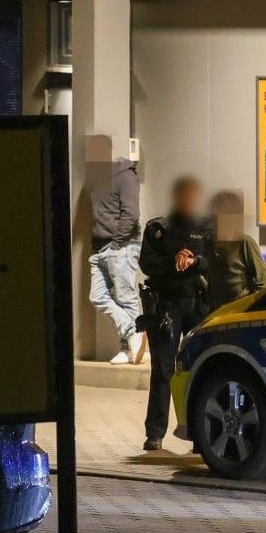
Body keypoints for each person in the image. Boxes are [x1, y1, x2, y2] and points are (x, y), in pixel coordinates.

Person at [138, 175, 214, 451]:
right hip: (167, 306)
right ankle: (155, 433)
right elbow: (147, 263)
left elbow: (217, 262)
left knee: (201, 370)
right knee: (164, 371)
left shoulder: (206, 227)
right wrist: (173, 262)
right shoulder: (159, 228)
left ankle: (200, 435)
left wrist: (195, 262)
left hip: (198, 305)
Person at [86, 150, 146, 365]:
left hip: (122, 245)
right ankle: (133, 333)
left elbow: (131, 212)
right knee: (97, 296)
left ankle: (129, 349)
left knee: (125, 297)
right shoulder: (95, 182)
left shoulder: (125, 176)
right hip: (100, 249)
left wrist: (117, 242)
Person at [205, 191, 266, 308]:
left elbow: (265, 283)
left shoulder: (245, 242)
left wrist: (248, 308)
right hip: (215, 312)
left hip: (238, 311)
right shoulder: (209, 242)